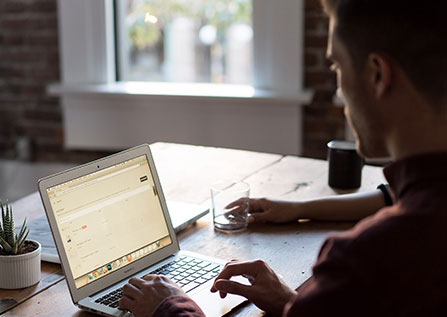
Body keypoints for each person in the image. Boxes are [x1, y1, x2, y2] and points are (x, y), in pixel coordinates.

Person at [119, 0, 447, 315]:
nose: (338, 93)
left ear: (378, 75)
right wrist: (295, 303)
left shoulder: (365, 262)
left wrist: (170, 306)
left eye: (336, 66)